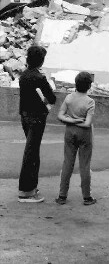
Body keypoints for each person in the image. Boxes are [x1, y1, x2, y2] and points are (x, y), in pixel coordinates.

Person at [18, 45, 57, 203]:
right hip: (37, 118)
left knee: (32, 151)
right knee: (32, 153)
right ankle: (26, 191)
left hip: (25, 116)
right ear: (41, 60)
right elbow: (52, 98)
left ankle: (31, 186)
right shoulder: (39, 77)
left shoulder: (24, 75)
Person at [55, 71, 96, 206]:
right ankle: (86, 197)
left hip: (70, 131)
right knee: (84, 165)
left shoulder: (69, 98)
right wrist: (79, 121)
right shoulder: (90, 102)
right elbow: (87, 123)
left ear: (75, 84)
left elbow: (60, 115)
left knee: (67, 163)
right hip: (85, 134)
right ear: (89, 86)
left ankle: (62, 196)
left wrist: (71, 121)